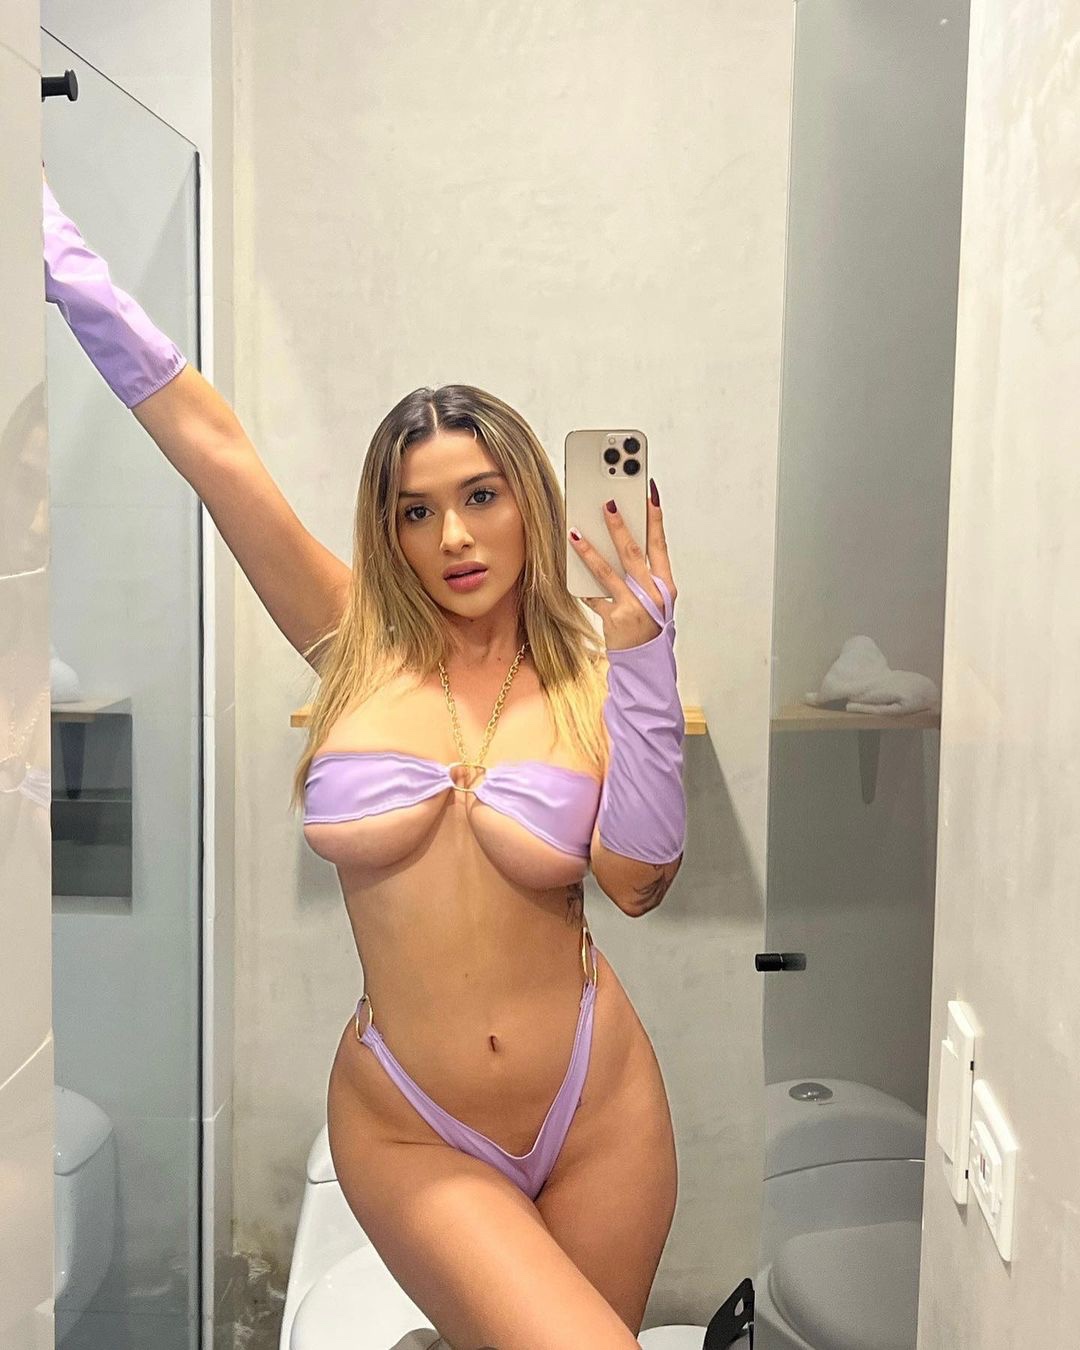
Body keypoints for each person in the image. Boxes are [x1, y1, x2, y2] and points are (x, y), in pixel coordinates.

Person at [42, 172, 687, 1349]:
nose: (453, 537)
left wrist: (646, 653)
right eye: (415, 510)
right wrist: (54, 249)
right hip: (411, 1121)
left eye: (481, 496)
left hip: (600, 1106)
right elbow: (213, 449)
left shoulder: (596, 672)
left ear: (532, 501)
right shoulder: (351, 639)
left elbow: (639, 884)